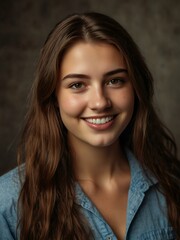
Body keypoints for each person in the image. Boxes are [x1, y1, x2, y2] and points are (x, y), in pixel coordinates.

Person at [0, 12, 179, 240]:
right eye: (77, 85)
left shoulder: (171, 187)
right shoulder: (7, 205)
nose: (100, 102)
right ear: (53, 96)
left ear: (136, 87)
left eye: (115, 81)